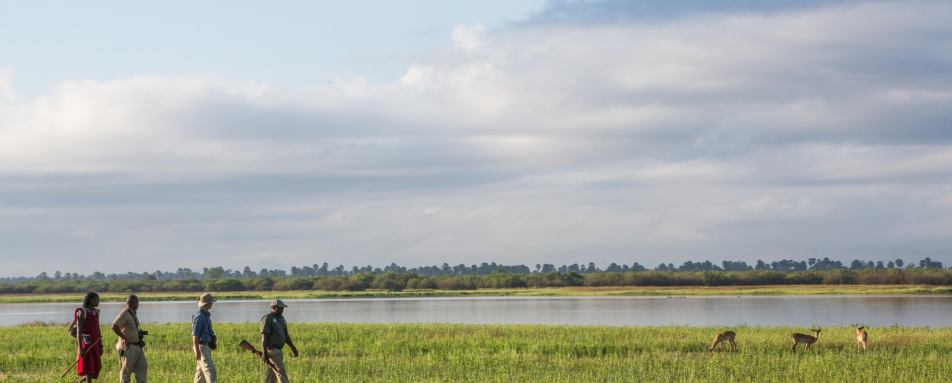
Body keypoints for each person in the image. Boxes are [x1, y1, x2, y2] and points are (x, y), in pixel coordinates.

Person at [260, 299, 299, 383]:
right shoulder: (268, 318)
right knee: (281, 372)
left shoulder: (281, 319)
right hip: (272, 350)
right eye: (280, 308)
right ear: (273, 307)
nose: (282, 310)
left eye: (283, 308)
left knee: (271, 375)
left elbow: (286, 336)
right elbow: (264, 336)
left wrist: (293, 348)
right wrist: (264, 353)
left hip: (278, 351)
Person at [112, 294, 148, 382]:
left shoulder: (132, 313)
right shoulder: (125, 313)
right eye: (136, 303)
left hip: (137, 346)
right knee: (126, 371)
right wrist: (124, 338)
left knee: (142, 367)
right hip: (129, 347)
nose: (138, 305)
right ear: (130, 303)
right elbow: (114, 326)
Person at [75, 292, 103, 382]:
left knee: (96, 366)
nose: (98, 301)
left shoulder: (96, 312)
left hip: (96, 343)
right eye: (97, 299)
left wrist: (100, 344)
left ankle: (79, 381)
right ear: (91, 300)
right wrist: (81, 348)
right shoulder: (82, 312)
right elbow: (79, 331)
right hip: (86, 344)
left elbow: (98, 328)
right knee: (88, 368)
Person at [192, 293, 218, 383]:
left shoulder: (205, 315)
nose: (212, 304)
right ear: (208, 303)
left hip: (205, 347)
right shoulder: (199, 316)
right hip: (201, 347)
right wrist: (197, 351)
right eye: (211, 302)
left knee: (200, 375)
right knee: (211, 372)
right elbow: (195, 335)